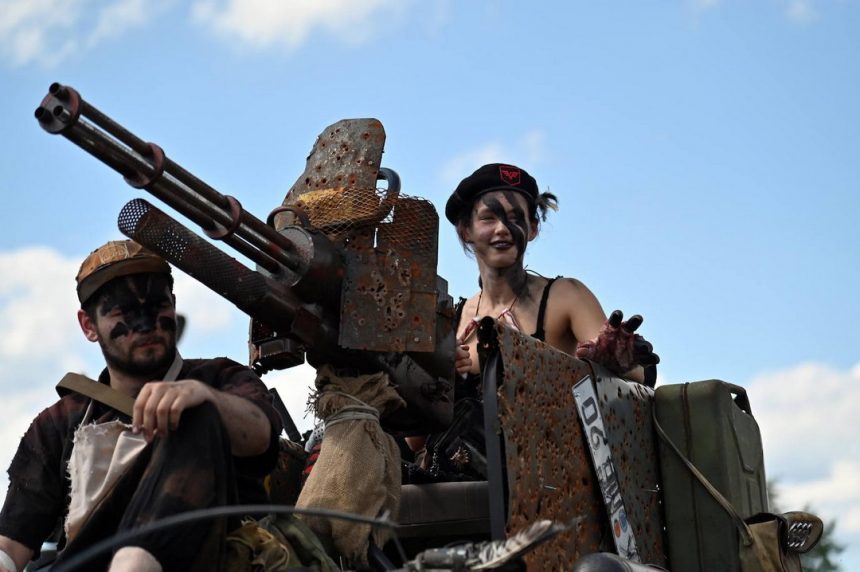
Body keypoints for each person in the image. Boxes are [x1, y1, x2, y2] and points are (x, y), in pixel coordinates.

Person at [0, 240, 283, 572]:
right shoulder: (58, 423)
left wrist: (205, 398)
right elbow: (11, 545)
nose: (146, 325)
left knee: (197, 413)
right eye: (122, 312)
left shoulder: (220, 378)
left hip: (209, 561)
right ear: (89, 326)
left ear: (173, 305)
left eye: (157, 306)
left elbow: (260, 436)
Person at [444, 162, 658, 387]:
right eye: (488, 218)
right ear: (465, 231)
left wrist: (621, 361)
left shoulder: (566, 297)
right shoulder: (452, 320)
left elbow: (637, 375)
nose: (502, 228)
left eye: (516, 218)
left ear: (533, 228)